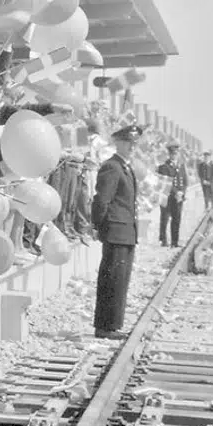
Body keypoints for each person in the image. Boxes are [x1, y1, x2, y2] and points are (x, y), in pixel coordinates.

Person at [91, 123, 141, 338]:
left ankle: (113, 325)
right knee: (112, 280)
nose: (132, 147)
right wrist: (99, 225)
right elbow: (102, 200)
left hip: (125, 231)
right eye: (128, 143)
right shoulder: (112, 166)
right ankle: (105, 327)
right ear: (118, 143)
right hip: (116, 230)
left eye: (134, 143)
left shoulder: (125, 167)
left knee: (120, 281)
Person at [156, 142, 187, 247]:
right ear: (169, 155)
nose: (174, 156)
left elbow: (185, 181)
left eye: (176, 154)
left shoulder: (181, 166)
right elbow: (166, 183)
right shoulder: (164, 167)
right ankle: (163, 240)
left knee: (177, 219)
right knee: (165, 219)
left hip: (178, 197)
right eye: (172, 154)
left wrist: (182, 192)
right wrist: (176, 192)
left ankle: (175, 242)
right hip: (167, 197)